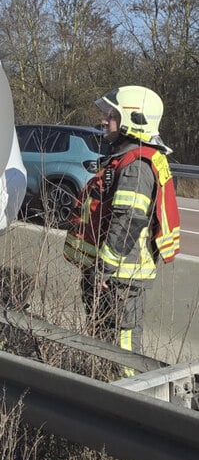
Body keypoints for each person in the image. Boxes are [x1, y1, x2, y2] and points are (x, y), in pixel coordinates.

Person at [64, 86, 181, 375]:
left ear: (133, 119)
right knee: (106, 338)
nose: (104, 121)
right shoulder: (127, 159)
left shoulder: (136, 166)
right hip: (113, 274)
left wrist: (104, 268)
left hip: (120, 276)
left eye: (112, 115)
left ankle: (130, 399)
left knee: (123, 345)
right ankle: (107, 387)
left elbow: (128, 221)